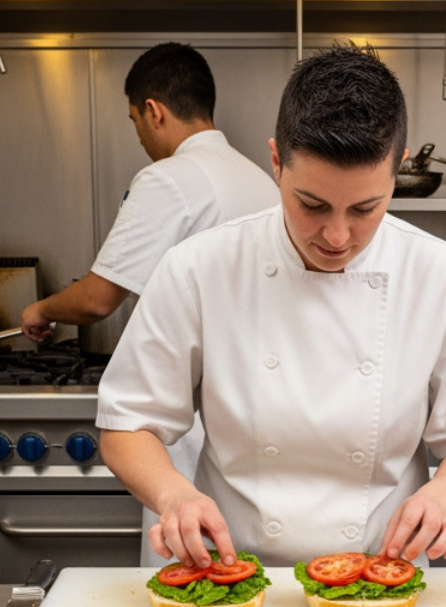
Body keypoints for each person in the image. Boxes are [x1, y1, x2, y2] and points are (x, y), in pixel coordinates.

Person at [95, 45, 446, 568]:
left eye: (365, 208)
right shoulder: (197, 268)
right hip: (231, 572)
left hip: (376, 573)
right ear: (276, 162)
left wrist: (439, 499)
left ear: (399, 171)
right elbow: (126, 422)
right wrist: (172, 495)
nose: (337, 236)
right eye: (311, 204)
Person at [18, 42, 276, 564]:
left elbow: (96, 300)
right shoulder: (260, 180)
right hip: (259, 411)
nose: (139, 134)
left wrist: (40, 310)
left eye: (135, 120)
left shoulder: (168, 180)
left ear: (153, 111)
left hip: (189, 418)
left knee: (190, 581)